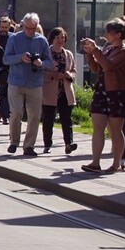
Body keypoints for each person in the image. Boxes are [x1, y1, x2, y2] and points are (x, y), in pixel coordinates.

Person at [2, 12, 51, 157]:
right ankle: (14, 141)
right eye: (28, 28)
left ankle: (29, 146)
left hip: (35, 83)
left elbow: (49, 62)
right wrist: (20, 58)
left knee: (35, 115)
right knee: (16, 112)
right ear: (23, 26)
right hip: (16, 81)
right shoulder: (14, 39)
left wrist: (41, 63)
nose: (30, 31)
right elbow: (5, 59)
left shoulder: (41, 40)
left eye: (33, 28)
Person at [80, 20, 125, 173]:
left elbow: (109, 66)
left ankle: (116, 163)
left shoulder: (123, 51)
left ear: (119, 34)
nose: (107, 35)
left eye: (110, 32)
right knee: (97, 127)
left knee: (115, 130)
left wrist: (95, 50)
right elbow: (96, 69)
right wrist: (89, 54)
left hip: (116, 92)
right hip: (101, 90)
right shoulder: (106, 49)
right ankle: (95, 162)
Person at [42, 27, 77, 155]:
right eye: (57, 37)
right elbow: (41, 72)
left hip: (65, 91)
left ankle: (69, 143)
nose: (60, 40)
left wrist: (69, 75)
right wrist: (52, 76)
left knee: (66, 119)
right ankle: (47, 144)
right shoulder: (46, 53)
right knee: (48, 119)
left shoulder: (68, 54)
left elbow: (74, 71)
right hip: (50, 91)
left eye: (62, 37)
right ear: (52, 38)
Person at [0, 16, 13, 125]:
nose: (4, 29)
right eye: (2, 27)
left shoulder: (13, 37)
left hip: (11, 68)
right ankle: (5, 115)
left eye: (6, 27)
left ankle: (0, 111)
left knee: (8, 93)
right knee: (2, 92)